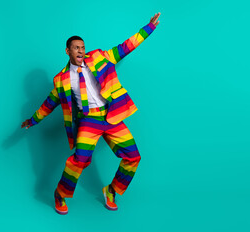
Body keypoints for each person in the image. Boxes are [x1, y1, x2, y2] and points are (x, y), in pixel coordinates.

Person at [22, 13, 161, 215]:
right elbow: (48, 104)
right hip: (89, 121)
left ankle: (111, 190)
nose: (80, 50)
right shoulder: (61, 80)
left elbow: (125, 47)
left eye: (82, 46)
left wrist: (148, 28)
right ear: (67, 51)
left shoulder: (100, 57)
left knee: (133, 157)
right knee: (80, 160)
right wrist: (32, 121)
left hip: (111, 115)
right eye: (76, 47)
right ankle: (60, 193)